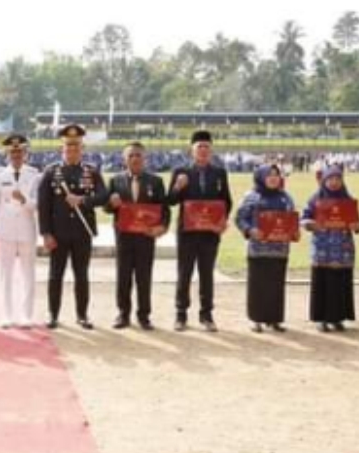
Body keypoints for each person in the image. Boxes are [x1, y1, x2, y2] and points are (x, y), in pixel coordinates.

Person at [37, 124, 108, 330]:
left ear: (82, 148)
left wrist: (83, 200)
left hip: (81, 232)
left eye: (76, 147)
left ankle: (82, 315)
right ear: (62, 149)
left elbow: (103, 196)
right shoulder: (51, 172)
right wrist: (46, 233)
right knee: (55, 275)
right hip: (58, 234)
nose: (72, 151)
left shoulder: (91, 172)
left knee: (81, 275)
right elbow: (44, 206)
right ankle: (53, 315)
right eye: (68, 147)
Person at [166, 130, 233, 332]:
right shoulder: (181, 172)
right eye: (199, 147)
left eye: (206, 147)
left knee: (207, 274)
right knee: (184, 273)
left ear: (211, 150)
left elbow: (226, 201)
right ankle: (181, 314)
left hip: (210, 232)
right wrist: (178, 188)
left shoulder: (219, 173)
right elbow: (170, 201)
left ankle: (206, 315)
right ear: (192, 150)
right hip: (187, 231)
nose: (203, 150)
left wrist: (221, 220)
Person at [104, 141, 169, 330]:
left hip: (146, 237)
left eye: (138, 155)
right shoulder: (115, 181)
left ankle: (144, 316)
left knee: (144, 277)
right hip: (123, 237)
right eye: (130, 155)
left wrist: (162, 227)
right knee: (123, 276)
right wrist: (111, 204)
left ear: (144, 158)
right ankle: (123, 314)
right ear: (124, 159)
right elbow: (107, 208)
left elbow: (164, 209)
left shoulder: (155, 182)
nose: (134, 159)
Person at [234, 164, 298, 333]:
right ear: (261, 177)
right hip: (258, 249)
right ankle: (256, 319)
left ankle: (274, 319)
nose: (273, 178)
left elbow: (291, 220)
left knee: (276, 285)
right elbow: (240, 218)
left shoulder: (286, 198)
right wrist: (249, 230)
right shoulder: (251, 196)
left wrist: (295, 232)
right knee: (258, 285)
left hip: (280, 250)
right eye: (269, 175)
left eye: (276, 175)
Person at [301, 165, 359, 332]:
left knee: (340, 283)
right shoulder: (315, 199)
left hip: (343, 250)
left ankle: (337, 318)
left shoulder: (348, 200)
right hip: (322, 249)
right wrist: (309, 224)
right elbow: (304, 218)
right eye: (330, 179)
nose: (334, 182)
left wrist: (357, 226)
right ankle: (321, 318)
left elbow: (358, 223)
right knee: (322, 282)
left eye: (338, 179)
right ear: (324, 180)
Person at [0, 134, 41, 329]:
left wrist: (24, 200)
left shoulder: (35, 175)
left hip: (27, 229)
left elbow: (37, 205)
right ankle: (6, 314)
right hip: (5, 230)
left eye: (20, 152)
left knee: (28, 274)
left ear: (26, 153)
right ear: (7, 154)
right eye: (13, 152)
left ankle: (26, 315)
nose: (16, 155)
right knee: (6, 274)